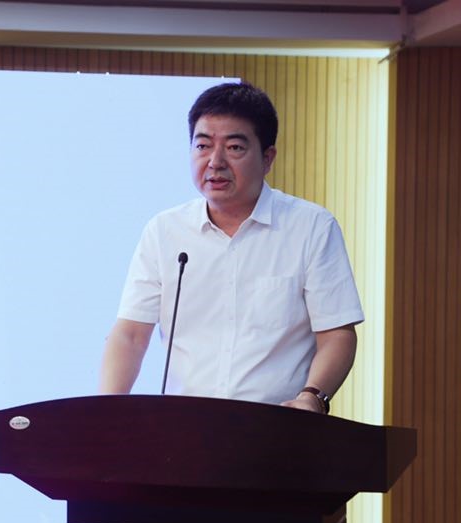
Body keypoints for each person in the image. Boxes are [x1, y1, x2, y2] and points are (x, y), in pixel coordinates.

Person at [99, 82, 363, 414]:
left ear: (267, 158)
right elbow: (131, 335)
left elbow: (337, 334)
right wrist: (104, 414)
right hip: (184, 428)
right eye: (203, 145)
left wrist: (312, 397)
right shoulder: (164, 231)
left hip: (276, 426)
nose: (215, 162)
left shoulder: (311, 227)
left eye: (235, 147)